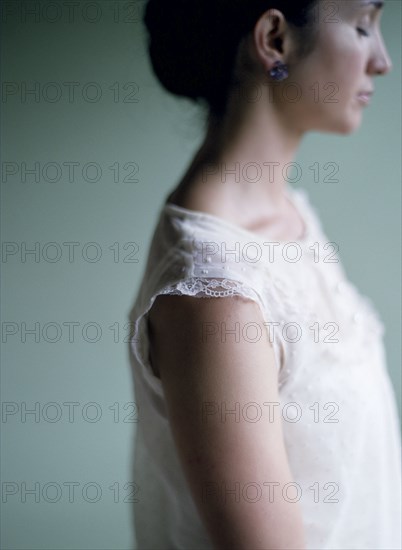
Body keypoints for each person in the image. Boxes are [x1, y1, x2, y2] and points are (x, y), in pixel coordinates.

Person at [129, 0, 401, 548]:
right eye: (362, 25)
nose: (382, 61)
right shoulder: (218, 294)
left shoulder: (288, 218)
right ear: (274, 40)